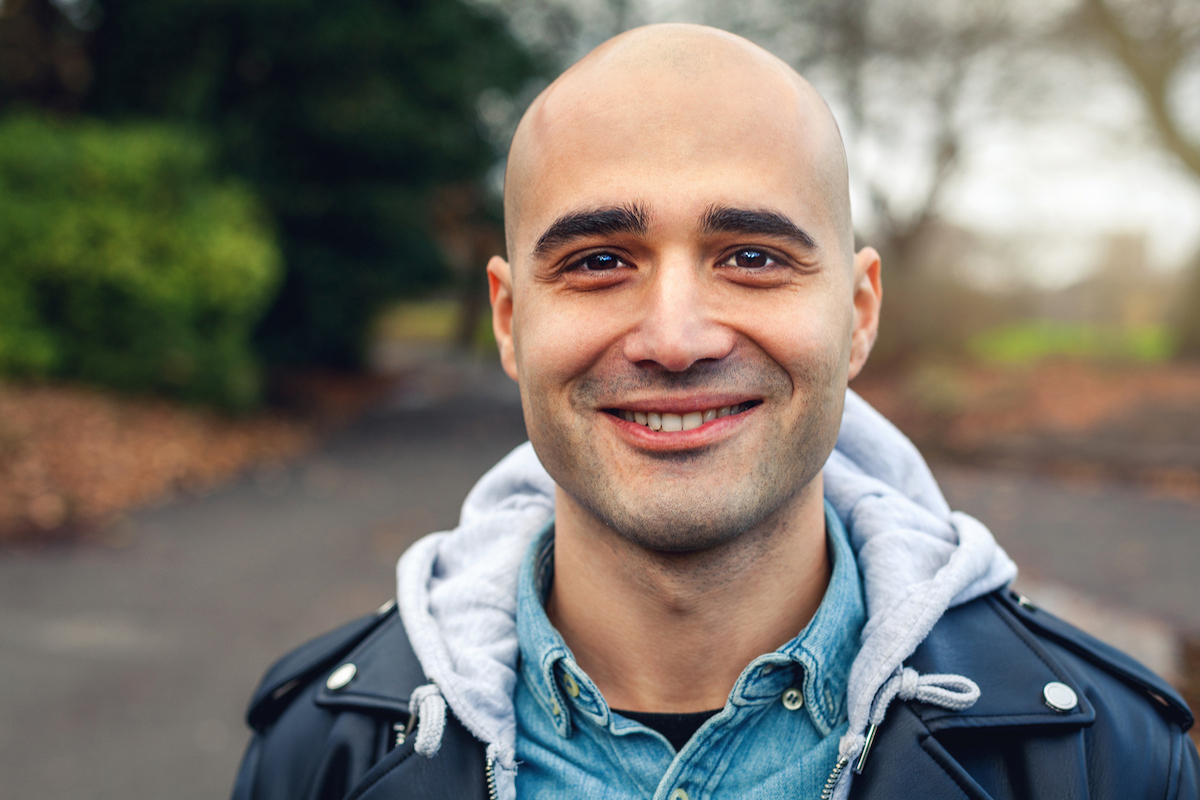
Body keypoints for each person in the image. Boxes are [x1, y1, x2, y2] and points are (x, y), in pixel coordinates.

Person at [232, 24, 1198, 800]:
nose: (676, 337)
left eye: (752, 257)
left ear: (857, 315)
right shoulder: (320, 751)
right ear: (511, 319)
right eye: (600, 260)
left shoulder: (1108, 758)